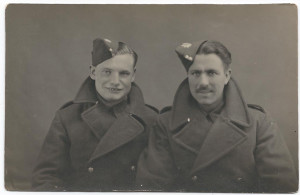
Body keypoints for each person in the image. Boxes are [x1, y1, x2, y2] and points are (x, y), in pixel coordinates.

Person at [136, 40, 298, 193]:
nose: (203, 82)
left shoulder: (258, 122)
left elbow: (281, 187)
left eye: (211, 73)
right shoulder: (166, 123)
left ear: (227, 76)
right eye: (195, 73)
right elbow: (152, 186)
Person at [32, 38, 158, 191]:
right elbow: (46, 178)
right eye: (107, 72)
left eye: (124, 73)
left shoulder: (151, 120)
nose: (115, 81)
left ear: (133, 75)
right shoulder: (67, 117)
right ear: (93, 72)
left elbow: (158, 182)